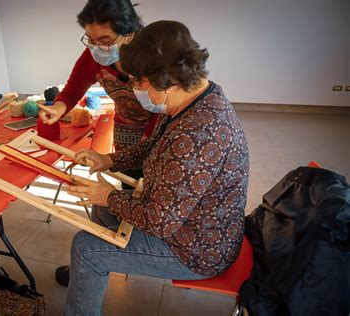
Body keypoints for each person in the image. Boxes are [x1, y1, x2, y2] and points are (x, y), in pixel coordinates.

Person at [63, 20, 250, 315]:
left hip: (198, 250)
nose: (134, 87)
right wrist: (109, 160)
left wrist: (108, 196)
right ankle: (90, 276)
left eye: (138, 81)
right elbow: (153, 145)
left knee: (86, 249)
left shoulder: (196, 135)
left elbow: (160, 221)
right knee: (103, 212)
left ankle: (90, 270)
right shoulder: (195, 98)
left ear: (167, 79)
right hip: (194, 227)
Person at [37, 0, 157, 153]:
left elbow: (167, 107)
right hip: (126, 134)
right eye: (91, 39)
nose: (96, 47)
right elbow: (72, 92)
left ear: (128, 33)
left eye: (105, 40)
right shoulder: (92, 57)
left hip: (160, 133)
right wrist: (57, 109)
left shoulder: (153, 57)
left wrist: (149, 141)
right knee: (125, 175)